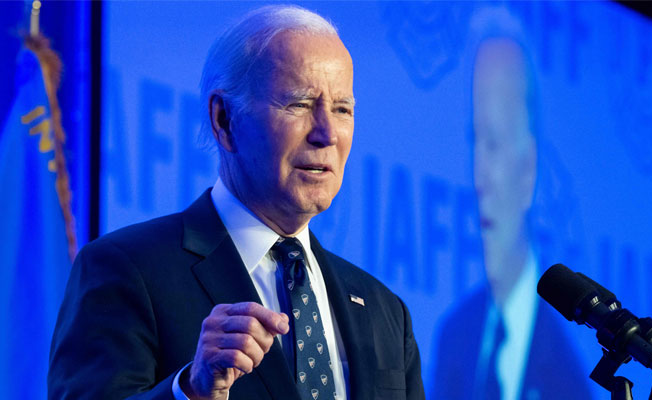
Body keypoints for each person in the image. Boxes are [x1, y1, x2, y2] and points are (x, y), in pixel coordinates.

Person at [48, 6, 424, 400]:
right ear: (224, 119)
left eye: (342, 109)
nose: (326, 133)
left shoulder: (384, 311)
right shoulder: (126, 269)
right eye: (298, 104)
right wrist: (189, 391)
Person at [431, 9, 591, 400]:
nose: (481, 177)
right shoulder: (454, 335)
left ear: (529, 169)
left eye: (496, 144)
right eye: (476, 141)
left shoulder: (572, 373)